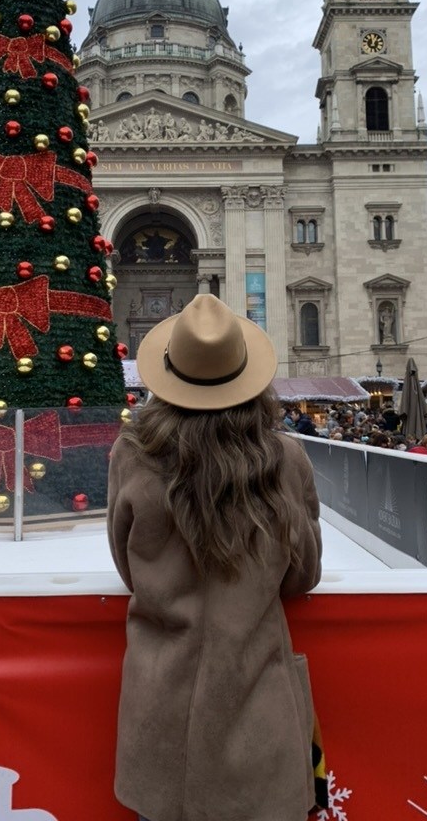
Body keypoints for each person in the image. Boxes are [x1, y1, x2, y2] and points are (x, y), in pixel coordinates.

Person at [107, 294, 323, 821]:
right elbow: (302, 576)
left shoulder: (132, 454)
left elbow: (127, 564)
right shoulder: (285, 458)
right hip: (257, 714)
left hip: (158, 712)